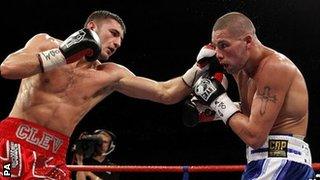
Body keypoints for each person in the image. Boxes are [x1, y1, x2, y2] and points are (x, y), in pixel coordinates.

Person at [0, 9, 219, 179]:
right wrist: (63, 55)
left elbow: (165, 92)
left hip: (52, 157)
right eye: (113, 34)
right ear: (92, 27)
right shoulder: (45, 42)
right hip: (11, 145)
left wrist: (198, 67)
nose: (116, 43)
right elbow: (8, 68)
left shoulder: (110, 74)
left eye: (120, 41)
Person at [191, 12, 315, 179]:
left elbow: (254, 135)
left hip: (280, 161)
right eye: (216, 47)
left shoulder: (274, 67)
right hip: (266, 163)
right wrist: (212, 108)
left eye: (224, 45)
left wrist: (218, 100)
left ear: (248, 41)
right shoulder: (241, 70)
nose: (218, 54)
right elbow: (254, 112)